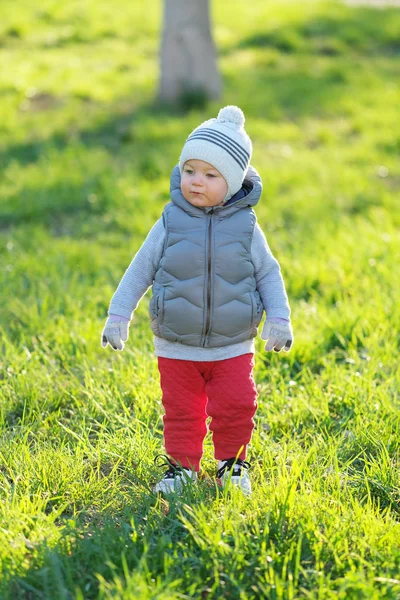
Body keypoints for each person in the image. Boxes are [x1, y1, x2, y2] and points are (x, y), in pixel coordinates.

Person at [101, 106, 293, 496]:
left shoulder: (247, 227)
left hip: (232, 343)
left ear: (234, 180)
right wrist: (118, 314)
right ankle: (181, 468)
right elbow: (140, 269)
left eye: (210, 175)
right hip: (176, 343)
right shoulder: (170, 222)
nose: (196, 182)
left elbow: (268, 273)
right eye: (190, 171)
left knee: (237, 405)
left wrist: (280, 318)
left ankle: (232, 464)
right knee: (181, 411)